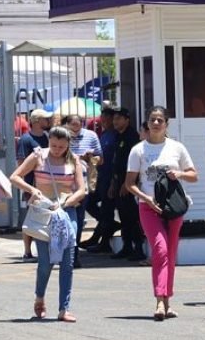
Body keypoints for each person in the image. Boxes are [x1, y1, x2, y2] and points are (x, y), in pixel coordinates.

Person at [123, 106, 198, 320]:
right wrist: (146, 198)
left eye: (160, 120)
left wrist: (179, 173)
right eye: (152, 119)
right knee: (160, 250)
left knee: (171, 253)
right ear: (147, 123)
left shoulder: (177, 147)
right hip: (149, 206)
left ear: (166, 124)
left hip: (172, 207)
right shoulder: (138, 150)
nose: (155, 123)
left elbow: (194, 175)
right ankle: (159, 300)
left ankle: (167, 301)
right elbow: (129, 183)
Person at [10, 125, 86, 322]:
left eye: (61, 147)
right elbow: (14, 177)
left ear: (68, 145)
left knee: (67, 262)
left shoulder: (74, 160)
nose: (57, 150)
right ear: (48, 142)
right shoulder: (38, 156)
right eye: (53, 145)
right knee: (46, 262)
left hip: (67, 212)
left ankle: (64, 309)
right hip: (44, 213)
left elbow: (81, 190)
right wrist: (32, 190)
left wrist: (66, 203)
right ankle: (40, 297)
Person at [61, 113, 102, 262]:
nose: (76, 129)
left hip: (82, 183)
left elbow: (100, 159)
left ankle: (74, 253)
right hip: (64, 183)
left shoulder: (91, 136)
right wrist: (76, 158)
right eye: (73, 125)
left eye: (78, 125)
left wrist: (90, 157)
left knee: (78, 219)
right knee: (63, 219)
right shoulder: (62, 136)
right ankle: (63, 251)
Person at [16, 109, 52, 261]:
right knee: (31, 217)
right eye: (45, 119)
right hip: (32, 184)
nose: (48, 121)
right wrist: (26, 186)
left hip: (47, 183)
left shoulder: (47, 137)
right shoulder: (26, 139)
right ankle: (27, 251)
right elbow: (21, 163)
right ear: (37, 121)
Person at [110, 108, 145, 261]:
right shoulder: (118, 136)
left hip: (130, 183)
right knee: (123, 216)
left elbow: (134, 164)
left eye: (118, 118)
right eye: (114, 119)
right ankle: (127, 246)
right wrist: (114, 183)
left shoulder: (132, 137)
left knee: (133, 216)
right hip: (119, 181)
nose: (115, 122)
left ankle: (138, 248)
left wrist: (127, 183)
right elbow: (116, 161)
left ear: (127, 120)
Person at [85, 105, 120, 252]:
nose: (103, 122)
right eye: (102, 119)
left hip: (110, 178)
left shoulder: (116, 136)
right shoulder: (104, 134)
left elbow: (115, 160)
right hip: (100, 176)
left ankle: (103, 241)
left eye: (106, 119)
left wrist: (113, 181)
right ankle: (110, 225)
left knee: (107, 209)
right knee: (89, 203)